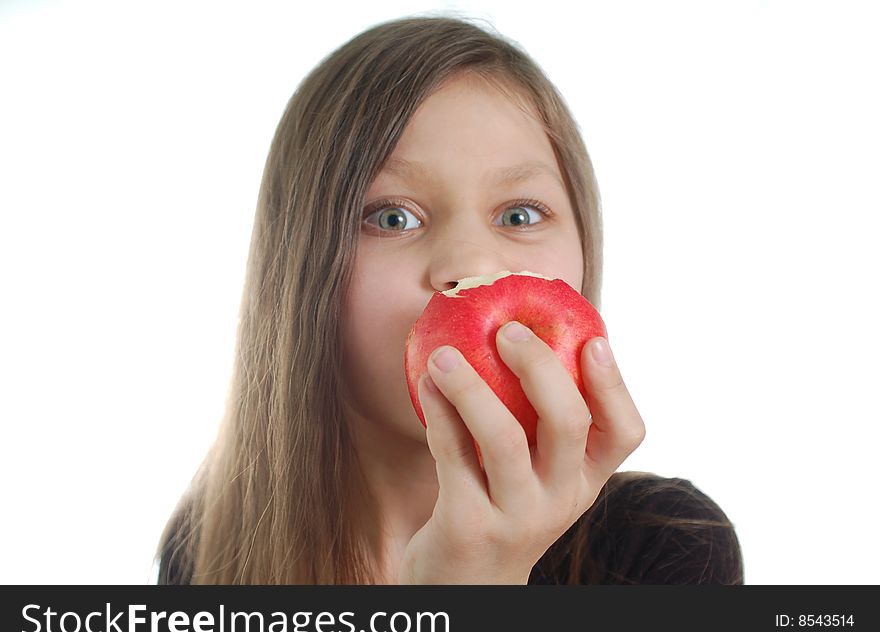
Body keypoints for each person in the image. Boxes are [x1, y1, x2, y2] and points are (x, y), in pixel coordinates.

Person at [155, 14, 744, 585]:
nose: (470, 266)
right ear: (298, 274)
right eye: (392, 217)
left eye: (519, 214)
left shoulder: (665, 548)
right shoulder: (208, 549)